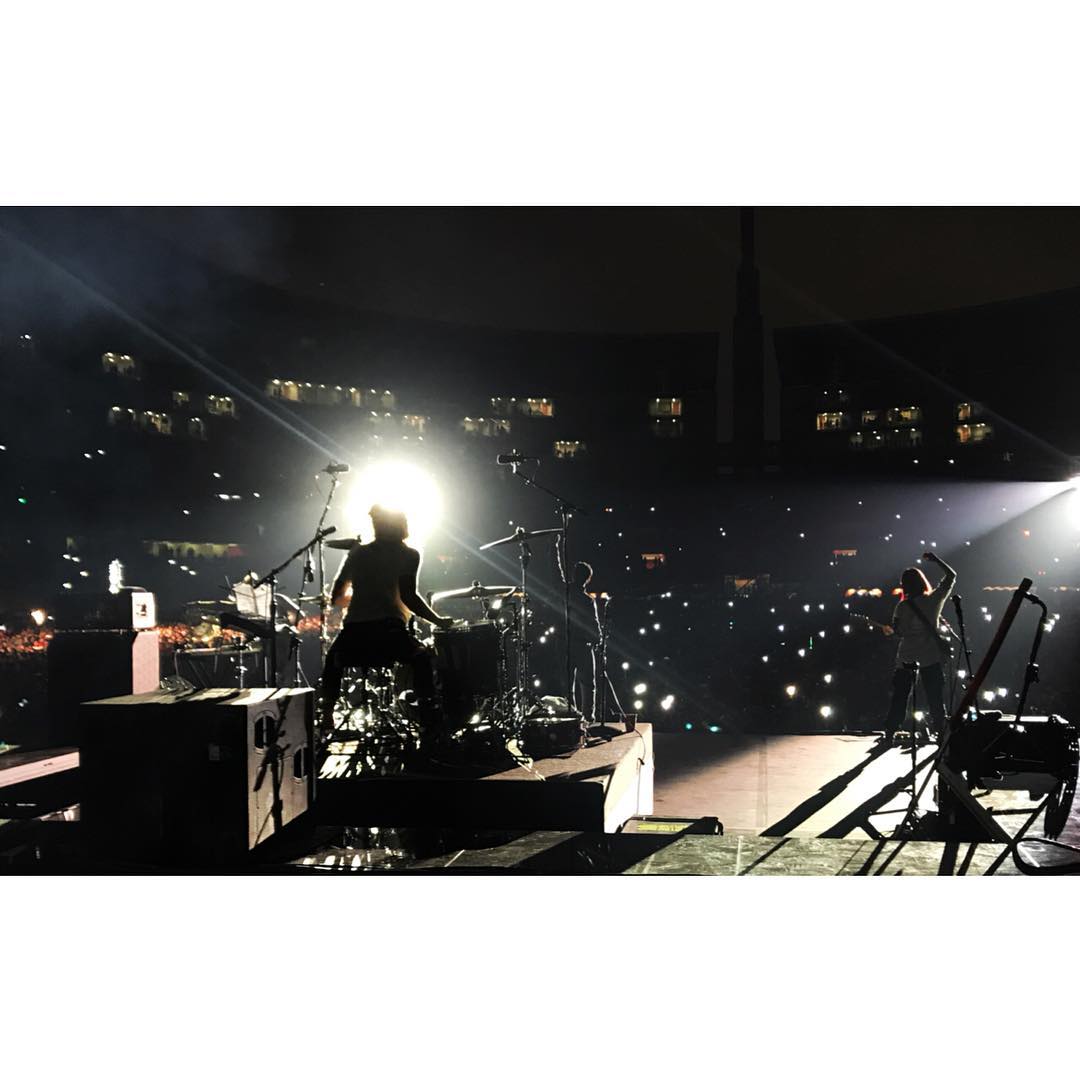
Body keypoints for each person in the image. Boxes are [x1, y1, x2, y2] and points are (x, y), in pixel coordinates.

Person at [319, 505, 452, 729]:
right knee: (421, 657)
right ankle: (429, 719)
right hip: (389, 634)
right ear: (401, 526)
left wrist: (363, 590)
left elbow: (337, 596)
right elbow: (409, 597)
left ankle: (327, 715)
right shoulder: (409, 555)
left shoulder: (358, 553)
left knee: (333, 660)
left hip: (355, 635)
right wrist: (438, 621)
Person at [881, 551, 956, 744]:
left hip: (906, 657)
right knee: (935, 698)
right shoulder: (933, 600)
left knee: (900, 697)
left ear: (904, 586)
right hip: (930, 656)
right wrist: (937, 560)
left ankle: (890, 732)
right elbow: (951, 576)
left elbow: (898, 632)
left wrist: (890, 631)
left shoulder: (902, 607)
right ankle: (940, 732)